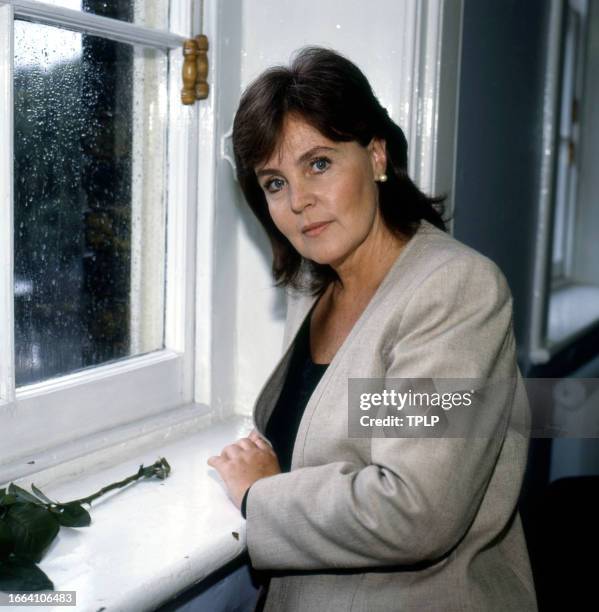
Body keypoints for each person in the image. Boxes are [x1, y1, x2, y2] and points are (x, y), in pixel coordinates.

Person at [207, 46, 537, 611]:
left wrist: (261, 494)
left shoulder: (454, 290)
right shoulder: (317, 287)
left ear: (377, 155)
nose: (300, 202)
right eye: (274, 183)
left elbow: (412, 508)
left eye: (319, 163)